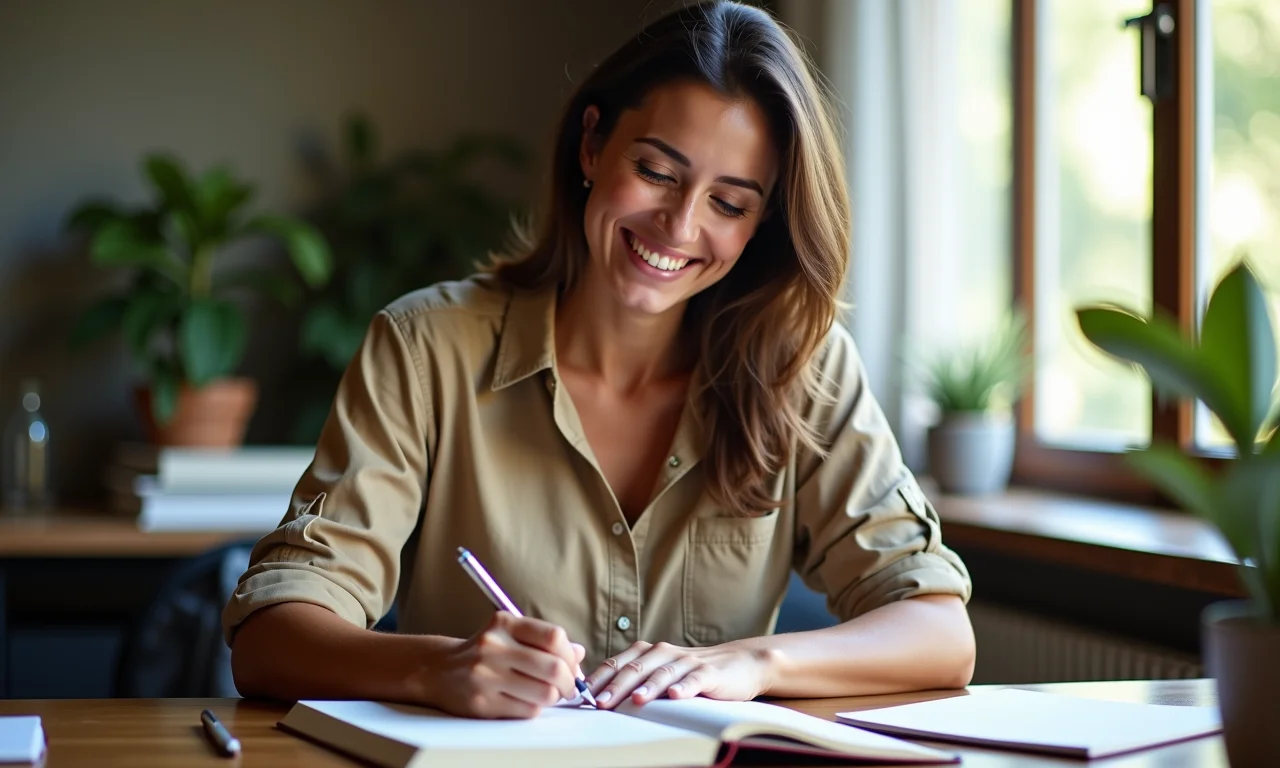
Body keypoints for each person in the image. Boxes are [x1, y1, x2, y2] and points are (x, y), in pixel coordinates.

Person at [223, 0, 974, 720]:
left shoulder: (803, 368)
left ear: (762, 223)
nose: (679, 226)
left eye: (730, 203)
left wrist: (754, 664)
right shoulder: (425, 348)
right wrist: (434, 669)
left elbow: (940, 634)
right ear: (592, 144)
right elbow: (268, 639)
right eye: (656, 171)